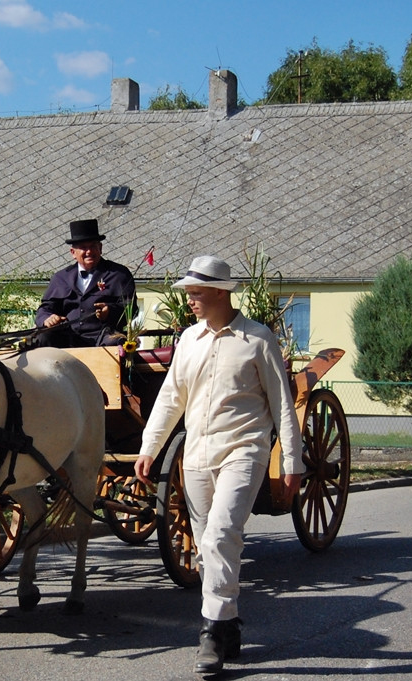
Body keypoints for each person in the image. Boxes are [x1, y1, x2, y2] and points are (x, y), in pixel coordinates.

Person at [133, 256, 305, 675]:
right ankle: (228, 623)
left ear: (220, 292)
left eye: (195, 291)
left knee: (221, 536)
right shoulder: (189, 340)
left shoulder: (258, 339)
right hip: (195, 455)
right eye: (188, 291)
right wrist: (149, 447)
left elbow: (283, 404)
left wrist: (292, 460)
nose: (189, 298)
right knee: (206, 545)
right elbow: (171, 397)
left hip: (243, 452)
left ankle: (209, 632)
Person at [35, 219, 136, 347]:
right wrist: (47, 318)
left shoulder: (119, 274)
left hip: (103, 337)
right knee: (44, 336)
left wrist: (110, 311)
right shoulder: (61, 278)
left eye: (93, 246)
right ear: (73, 253)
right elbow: (45, 308)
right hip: (67, 338)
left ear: (100, 248)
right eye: (83, 248)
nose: (89, 252)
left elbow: (131, 310)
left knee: (116, 343)